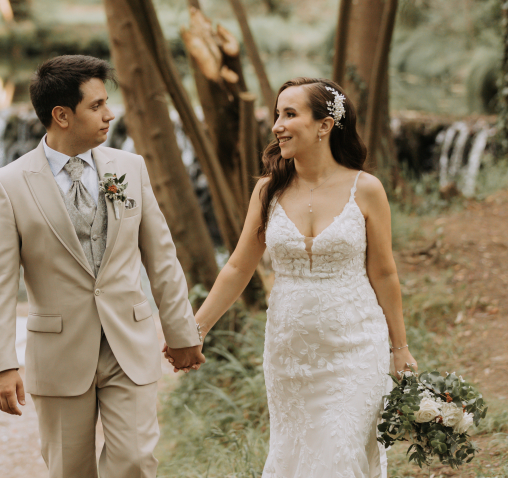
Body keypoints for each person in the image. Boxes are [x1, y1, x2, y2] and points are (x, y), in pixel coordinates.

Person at [169, 77, 417, 477]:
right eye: (277, 115)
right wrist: (195, 330)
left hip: (356, 347)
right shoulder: (268, 191)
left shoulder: (367, 189)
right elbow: (238, 267)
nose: (277, 126)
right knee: (296, 457)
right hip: (290, 354)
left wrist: (399, 348)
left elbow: (385, 272)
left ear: (324, 125)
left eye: (289, 114)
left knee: (340, 455)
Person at [0, 54, 205, 478]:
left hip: (129, 342)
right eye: (97, 105)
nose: (109, 114)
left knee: (135, 461)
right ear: (62, 115)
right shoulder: (8, 185)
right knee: (70, 470)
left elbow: (161, 257)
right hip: (59, 352)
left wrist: (181, 333)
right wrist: (2, 364)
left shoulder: (130, 168)